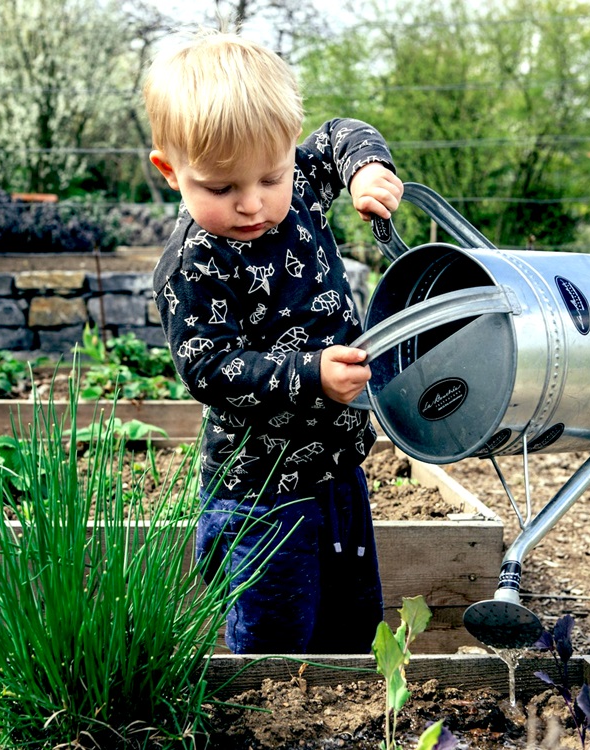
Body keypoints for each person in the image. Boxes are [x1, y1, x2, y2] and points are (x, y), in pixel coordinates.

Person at [144, 29, 404, 654]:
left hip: (340, 472)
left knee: (352, 626)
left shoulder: (303, 187)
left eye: (271, 176)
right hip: (260, 495)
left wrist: (368, 169)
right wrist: (311, 374)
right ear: (169, 171)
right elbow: (209, 368)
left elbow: (343, 132)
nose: (253, 203)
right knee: (276, 640)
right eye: (220, 188)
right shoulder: (193, 265)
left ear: (289, 151)